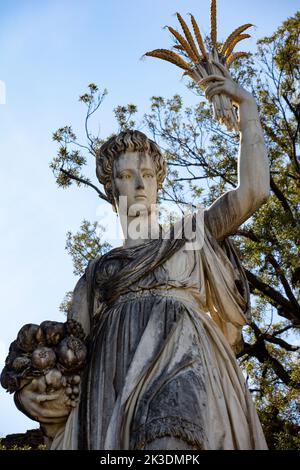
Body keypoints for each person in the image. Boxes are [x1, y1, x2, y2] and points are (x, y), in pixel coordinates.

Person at [14, 72, 270, 450]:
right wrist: (30, 395)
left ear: (157, 183)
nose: (138, 185)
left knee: (173, 441)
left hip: (184, 351)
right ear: (110, 186)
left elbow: (253, 192)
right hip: (114, 372)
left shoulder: (191, 234)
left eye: (147, 175)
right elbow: (69, 359)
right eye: (127, 175)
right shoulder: (98, 273)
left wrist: (248, 109)